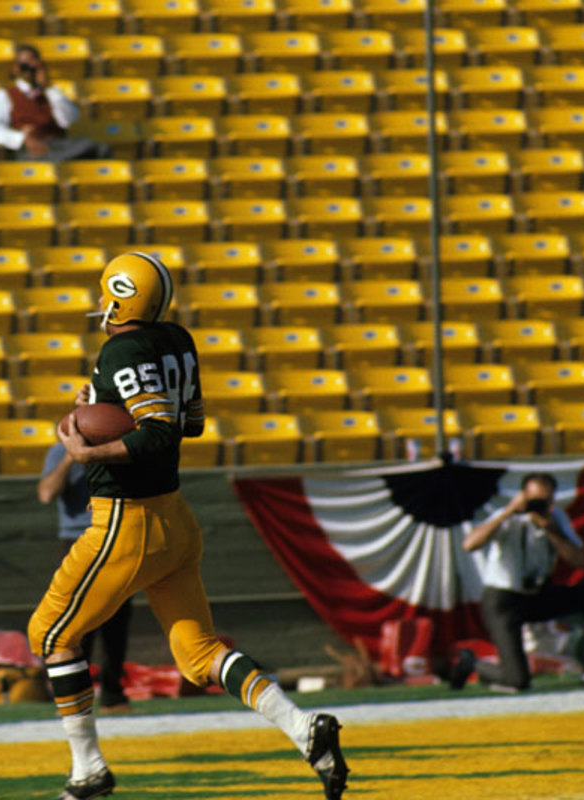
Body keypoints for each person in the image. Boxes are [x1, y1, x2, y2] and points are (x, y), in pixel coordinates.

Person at [28, 252, 349, 800]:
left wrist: (89, 450)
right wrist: (98, 405)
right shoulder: (175, 338)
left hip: (127, 520)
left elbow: (158, 431)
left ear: (122, 294)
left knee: (51, 633)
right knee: (199, 654)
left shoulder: (122, 348)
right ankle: (306, 731)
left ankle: (88, 772)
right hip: (175, 517)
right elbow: (191, 422)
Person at [456, 473, 584, 692]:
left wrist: (550, 529)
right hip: (504, 601)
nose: (540, 506)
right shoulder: (509, 517)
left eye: (546, 500)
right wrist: (510, 511)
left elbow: (578, 560)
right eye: (535, 500)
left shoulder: (555, 517)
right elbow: (469, 544)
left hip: (537, 596)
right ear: (523, 497)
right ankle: (472, 664)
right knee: (517, 681)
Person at [39, 442, 133, 713]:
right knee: (77, 622)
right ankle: (75, 694)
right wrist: (72, 457)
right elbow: (47, 494)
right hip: (77, 538)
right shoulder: (60, 450)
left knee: (117, 620)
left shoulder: (118, 445)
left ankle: (113, 694)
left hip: (115, 534)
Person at [0, 43, 112, 162]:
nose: (29, 70)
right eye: (24, 65)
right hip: (29, 150)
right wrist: (22, 138)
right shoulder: (6, 95)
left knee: (99, 148)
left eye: (33, 65)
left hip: (58, 144)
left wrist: (48, 87)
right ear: (15, 68)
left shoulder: (52, 93)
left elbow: (69, 121)